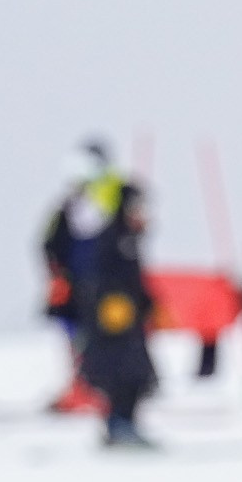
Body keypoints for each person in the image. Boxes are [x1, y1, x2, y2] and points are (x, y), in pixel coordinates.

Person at [41, 140, 126, 413]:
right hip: (74, 289)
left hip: (107, 288)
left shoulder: (116, 196)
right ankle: (81, 389)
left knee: (105, 342)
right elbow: (50, 243)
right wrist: (57, 276)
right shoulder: (69, 206)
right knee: (78, 342)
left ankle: (102, 390)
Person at [79, 182, 157, 447]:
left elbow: (135, 282)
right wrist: (109, 305)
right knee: (120, 376)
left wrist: (149, 304)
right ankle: (118, 425)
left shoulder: (130, 239)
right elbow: (101, 280)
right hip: (112, 325)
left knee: (138, 378)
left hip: (129, 323)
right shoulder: (113, 237)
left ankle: (126, 423)